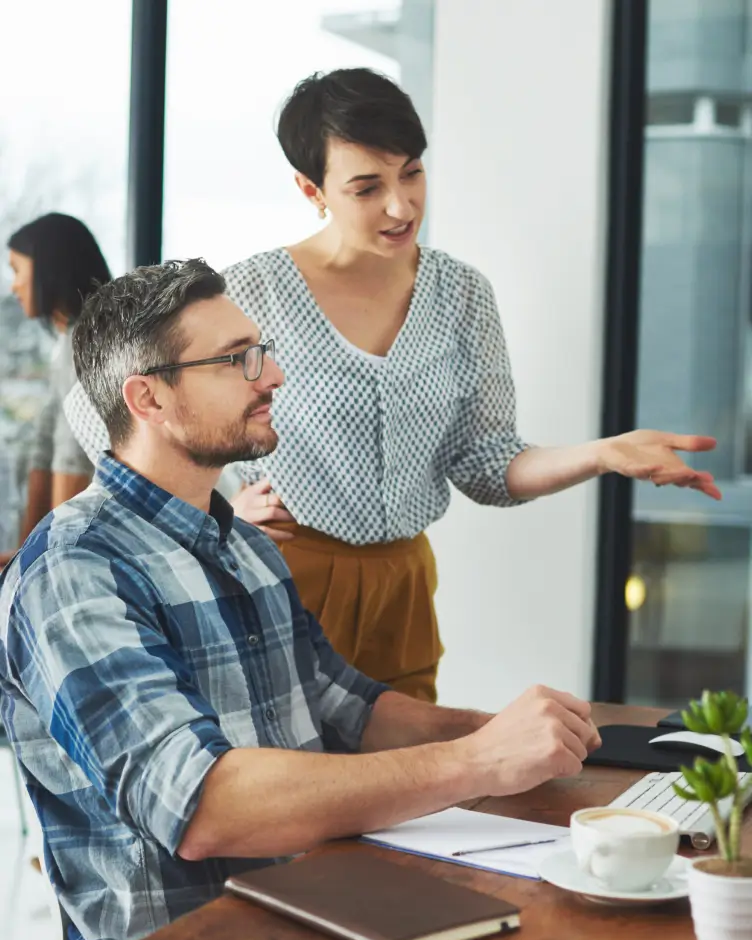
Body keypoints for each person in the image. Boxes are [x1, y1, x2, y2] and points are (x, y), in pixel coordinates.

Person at [0, 259, 600, 940]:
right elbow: (202, 807)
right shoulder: (72, 568)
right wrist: (480, 760)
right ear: (147, 398)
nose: (274, 374)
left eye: (265, 350)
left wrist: (533, 737)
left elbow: (347, 710)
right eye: (238, 360)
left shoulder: (245, 547)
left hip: (315, 934)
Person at [62, 69, 721, 704]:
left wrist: (602, 454)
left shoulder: (463, 295)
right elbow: (97, 411)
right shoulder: (250, 292)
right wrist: (221, 506)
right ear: (310, 188)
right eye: (366, 186)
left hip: (402, 588)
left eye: (412, 173)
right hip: (282, 575)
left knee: (411, 797)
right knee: (291, 794)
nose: (401, 205)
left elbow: (487, 463)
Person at [2, 213, 111, 567]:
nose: (14, 286)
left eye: (17, 270)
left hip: (89, 546)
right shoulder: (68, 340)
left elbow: (72, 452)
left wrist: (54, 562)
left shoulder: (85, 341)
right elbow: (45, 445)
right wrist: (26, 557)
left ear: (48, 265)